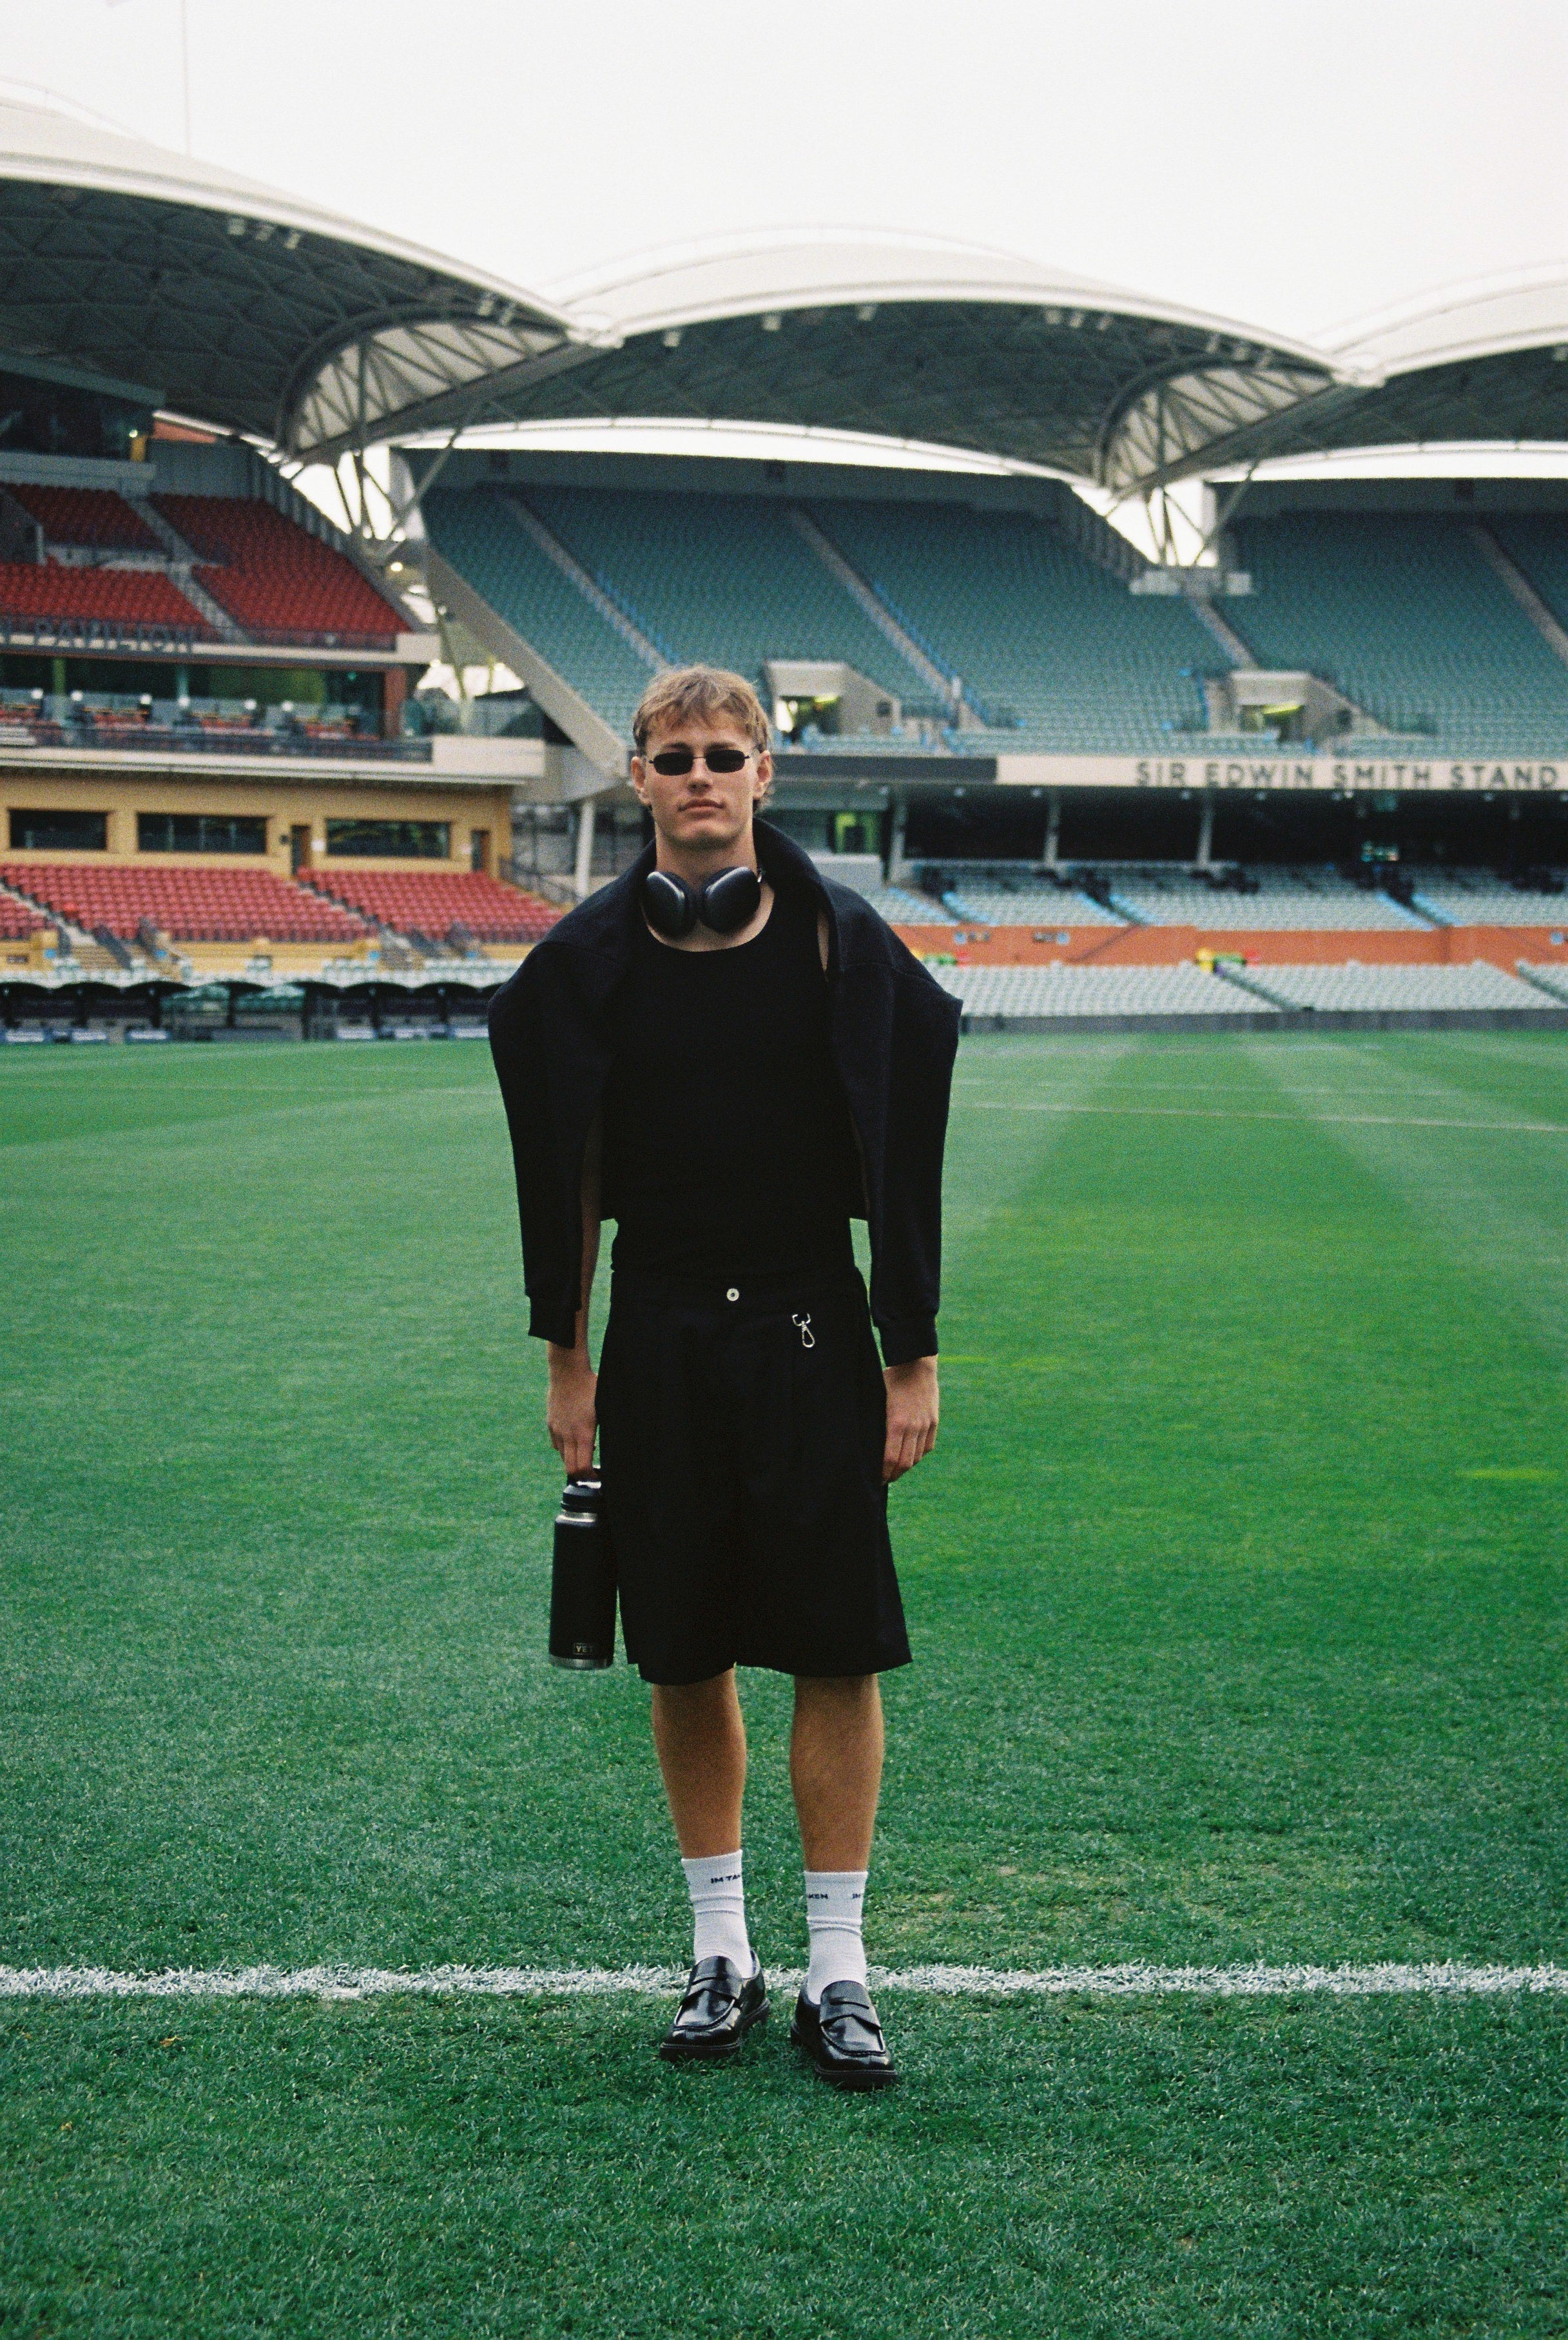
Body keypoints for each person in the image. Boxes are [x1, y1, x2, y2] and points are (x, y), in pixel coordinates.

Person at [489, 665, 958, 2089]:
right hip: (664, 1333)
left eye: (724, 755)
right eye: (672, 756)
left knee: (836, 1644)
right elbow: (559, 1161)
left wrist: (911, 1350)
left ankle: (837, 1968)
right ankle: (717, 1951)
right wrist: (566, 1353)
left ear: (765, 775)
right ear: (633, 775)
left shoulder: (838, 942)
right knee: (680, 1644)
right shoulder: (585, 963)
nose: (699, 777)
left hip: (815, 1326)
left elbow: (908, 1141)